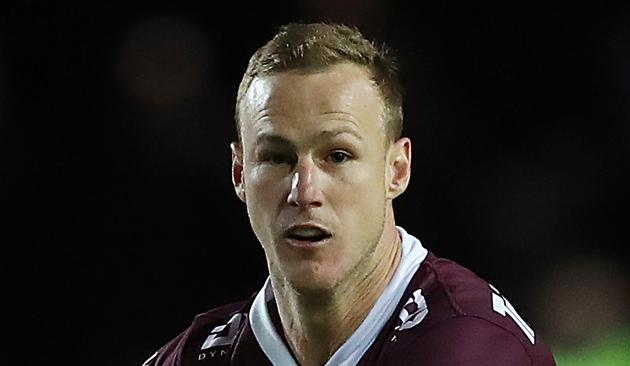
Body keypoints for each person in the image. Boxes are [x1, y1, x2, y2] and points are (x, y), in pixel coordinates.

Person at [143, 22, 556, 366]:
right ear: (238, 173)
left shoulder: (468, 347)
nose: (304, 191)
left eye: (337, 156)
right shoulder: (196, 356)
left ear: (397, 170)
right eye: (277, 158)